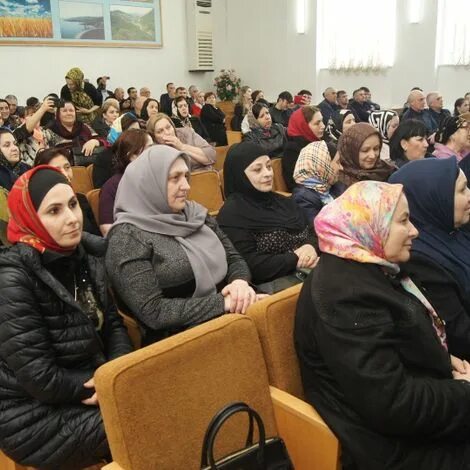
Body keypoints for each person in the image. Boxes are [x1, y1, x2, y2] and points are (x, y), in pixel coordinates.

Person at [295, 179, 470, 470]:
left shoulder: (374, 268)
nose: (414, 230)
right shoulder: (345, 296)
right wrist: (465, 392)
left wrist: (444, 360)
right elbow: (393, 405)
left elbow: (400, 341)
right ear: (368, 226)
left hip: (418, 420)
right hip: (392, 448)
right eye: (403, 221)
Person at [0, 166, 132, 468]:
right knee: (143, 422)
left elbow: (113, 326)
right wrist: (101, 385)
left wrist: (117, 374)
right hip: (32, 415)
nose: (72, 218)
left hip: (93, 385)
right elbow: (39, 378)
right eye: (54, 211)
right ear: (31, 219)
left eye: (73, 204)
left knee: (169, 392)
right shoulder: (12, 279)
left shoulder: (83, 255)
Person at [106, 146, 256, 345]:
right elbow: (154, 312)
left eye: (186, 176)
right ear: (150, 184)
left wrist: (239, 282)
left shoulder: (195, 214)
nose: (186, 185)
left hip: (232, 311)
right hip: (179, 340)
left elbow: (234, 258)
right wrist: (223, 303)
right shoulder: (127, 237)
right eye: (175, 178)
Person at [390, 157, 470, 360]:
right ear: (435, 198)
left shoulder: (453, 233)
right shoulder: (418, 258)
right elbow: (459, 335)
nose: (469, 196)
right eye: (462, 190)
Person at [217, 142, 318, 287]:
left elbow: (313, 230)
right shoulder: (232, 214)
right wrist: (295, 258)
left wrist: (310, 246)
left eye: (269, 166)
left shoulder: (283, 201)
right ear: (240, 175)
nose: (268, 173)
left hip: (308, 272)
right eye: (257, 169)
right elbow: (250, 264)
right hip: (273, 287)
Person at [33, 147, 100, 236]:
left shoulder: (80, 199)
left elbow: (97, 236)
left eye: (67, 167)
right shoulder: (38, 207)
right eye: (56, 170)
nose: (65, 174)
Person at [99, 129, 153, 236]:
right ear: (133, 156)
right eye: (150, 148)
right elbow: (108, 230)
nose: (155, 152)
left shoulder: (157, 178)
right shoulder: (112, 187)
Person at [292, 140, 345, 223]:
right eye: (337, 162)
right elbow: (319, 228)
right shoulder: (303, 198)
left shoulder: (333, 185)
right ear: (324, 165)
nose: (341, 168)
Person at [147, 113, 215, 171]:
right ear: (154, 137)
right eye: (160, 131)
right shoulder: (153, 149)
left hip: (204, 176)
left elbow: (211, 156)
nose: (167, 133)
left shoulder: (187, 133)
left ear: (173, 126)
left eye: (168, 127)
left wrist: (182, 146)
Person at [283, 106, 327, 191]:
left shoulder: (318, 142)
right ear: (303, 126)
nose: (323, 126)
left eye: (322, 121)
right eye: (317, 123)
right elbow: (294, 183)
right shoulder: (292, 149)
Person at [338, 122, 395, 187]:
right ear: (351, 152)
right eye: (365, 150)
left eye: (376, 149)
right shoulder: (341, 183)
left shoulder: (387, 171)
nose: (372, 156)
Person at [94, 113, 140, 188]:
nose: (137, 135)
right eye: (132, 131)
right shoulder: (103, 158)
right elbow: (102, 189)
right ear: (121, 133)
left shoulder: (142, 152)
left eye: (138, 131)